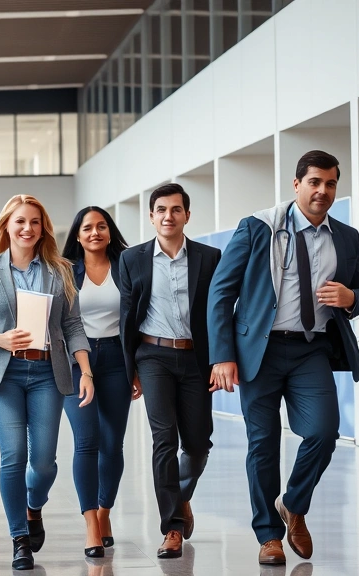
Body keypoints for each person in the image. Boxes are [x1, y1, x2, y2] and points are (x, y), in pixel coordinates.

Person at [207, 150, 359, 566]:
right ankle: (268, 535)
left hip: (310, 349)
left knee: (323, 432)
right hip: (259, 351)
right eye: (314, 182)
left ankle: (293, 505)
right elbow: (221, 292)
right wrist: (223, 355)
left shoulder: (346, 236)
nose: (322, 191)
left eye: (330, 183)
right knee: (261, 444)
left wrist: (351, 297)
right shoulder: (258, 226)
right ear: (297, 184)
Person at [0, 194, 93, 570]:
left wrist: (86, 370)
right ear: (7, 226)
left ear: (42, 228)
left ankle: (34, 507)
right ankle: (19, 537)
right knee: (14, 455)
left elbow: (73, 325)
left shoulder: (60, 270)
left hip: (48, 373)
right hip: (3, 374)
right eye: (20, 221)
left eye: (34, 222)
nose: (27, 228)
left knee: (45, 463)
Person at [118, 183, 221, 559]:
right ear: (151, 216)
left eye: (176, 210)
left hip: (196, 359)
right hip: (153, 356)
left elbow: (220, 311)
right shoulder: (132, 259)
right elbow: (126, 317)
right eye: (161, 209)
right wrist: (130, 368)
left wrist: (222, 359)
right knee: (164, 440)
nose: (168, 216)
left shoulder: (210, 257)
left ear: (187, 216)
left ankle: (179, 497)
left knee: (197, 444)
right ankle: (172, 528)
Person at [61, 206, 139, 558]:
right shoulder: (63, 271)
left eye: (102, 226)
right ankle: (91, 522)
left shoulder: (127, 266)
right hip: (77, 361)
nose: (95, 232)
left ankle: (105, 510)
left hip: (117, 360)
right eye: (88, 228)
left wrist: (136, 366)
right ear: (77, 235)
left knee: (113, 444)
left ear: (110, 231)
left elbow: (139, 318)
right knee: (86, 441)